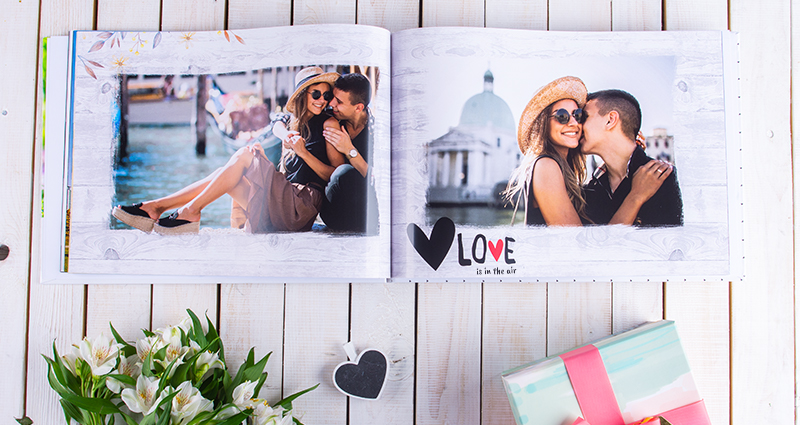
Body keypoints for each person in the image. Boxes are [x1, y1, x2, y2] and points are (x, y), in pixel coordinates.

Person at [112, 66, 342, 234]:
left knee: (243, 155)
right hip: (284, 201)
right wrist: (286, 136)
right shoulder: (291, 121)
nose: (322, 100)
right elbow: (278, 124)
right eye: (316, 94)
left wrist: (303, 153)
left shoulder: (328, 124)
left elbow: (335, 175)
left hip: (300, 206)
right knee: (227, 173)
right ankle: (157, 207)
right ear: (303, 95)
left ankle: (185, 211)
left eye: (327, 95)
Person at [505, 76, 671, 226]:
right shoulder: (546, 165)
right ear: (544, 124)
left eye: (578, 115)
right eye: (562, 116)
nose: (573, 123)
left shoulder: (569, 175)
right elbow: (580, 246)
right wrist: (636, 196)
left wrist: (625, 156)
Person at [580, 89, 684, 226]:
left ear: (610, 120)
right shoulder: (588, 194)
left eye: (584, 117)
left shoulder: (672, 181)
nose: (577, 125)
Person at [319, 72, 379, 234]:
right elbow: (284, 118)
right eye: (333, 97)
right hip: (335, 210)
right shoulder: (332, 121)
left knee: (348, 173)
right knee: (343, 172)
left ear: (358, 107)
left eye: (339, 102)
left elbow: (378, 180)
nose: (331, 103)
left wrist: (349, 150)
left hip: (364, 209)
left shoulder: (377, 131)